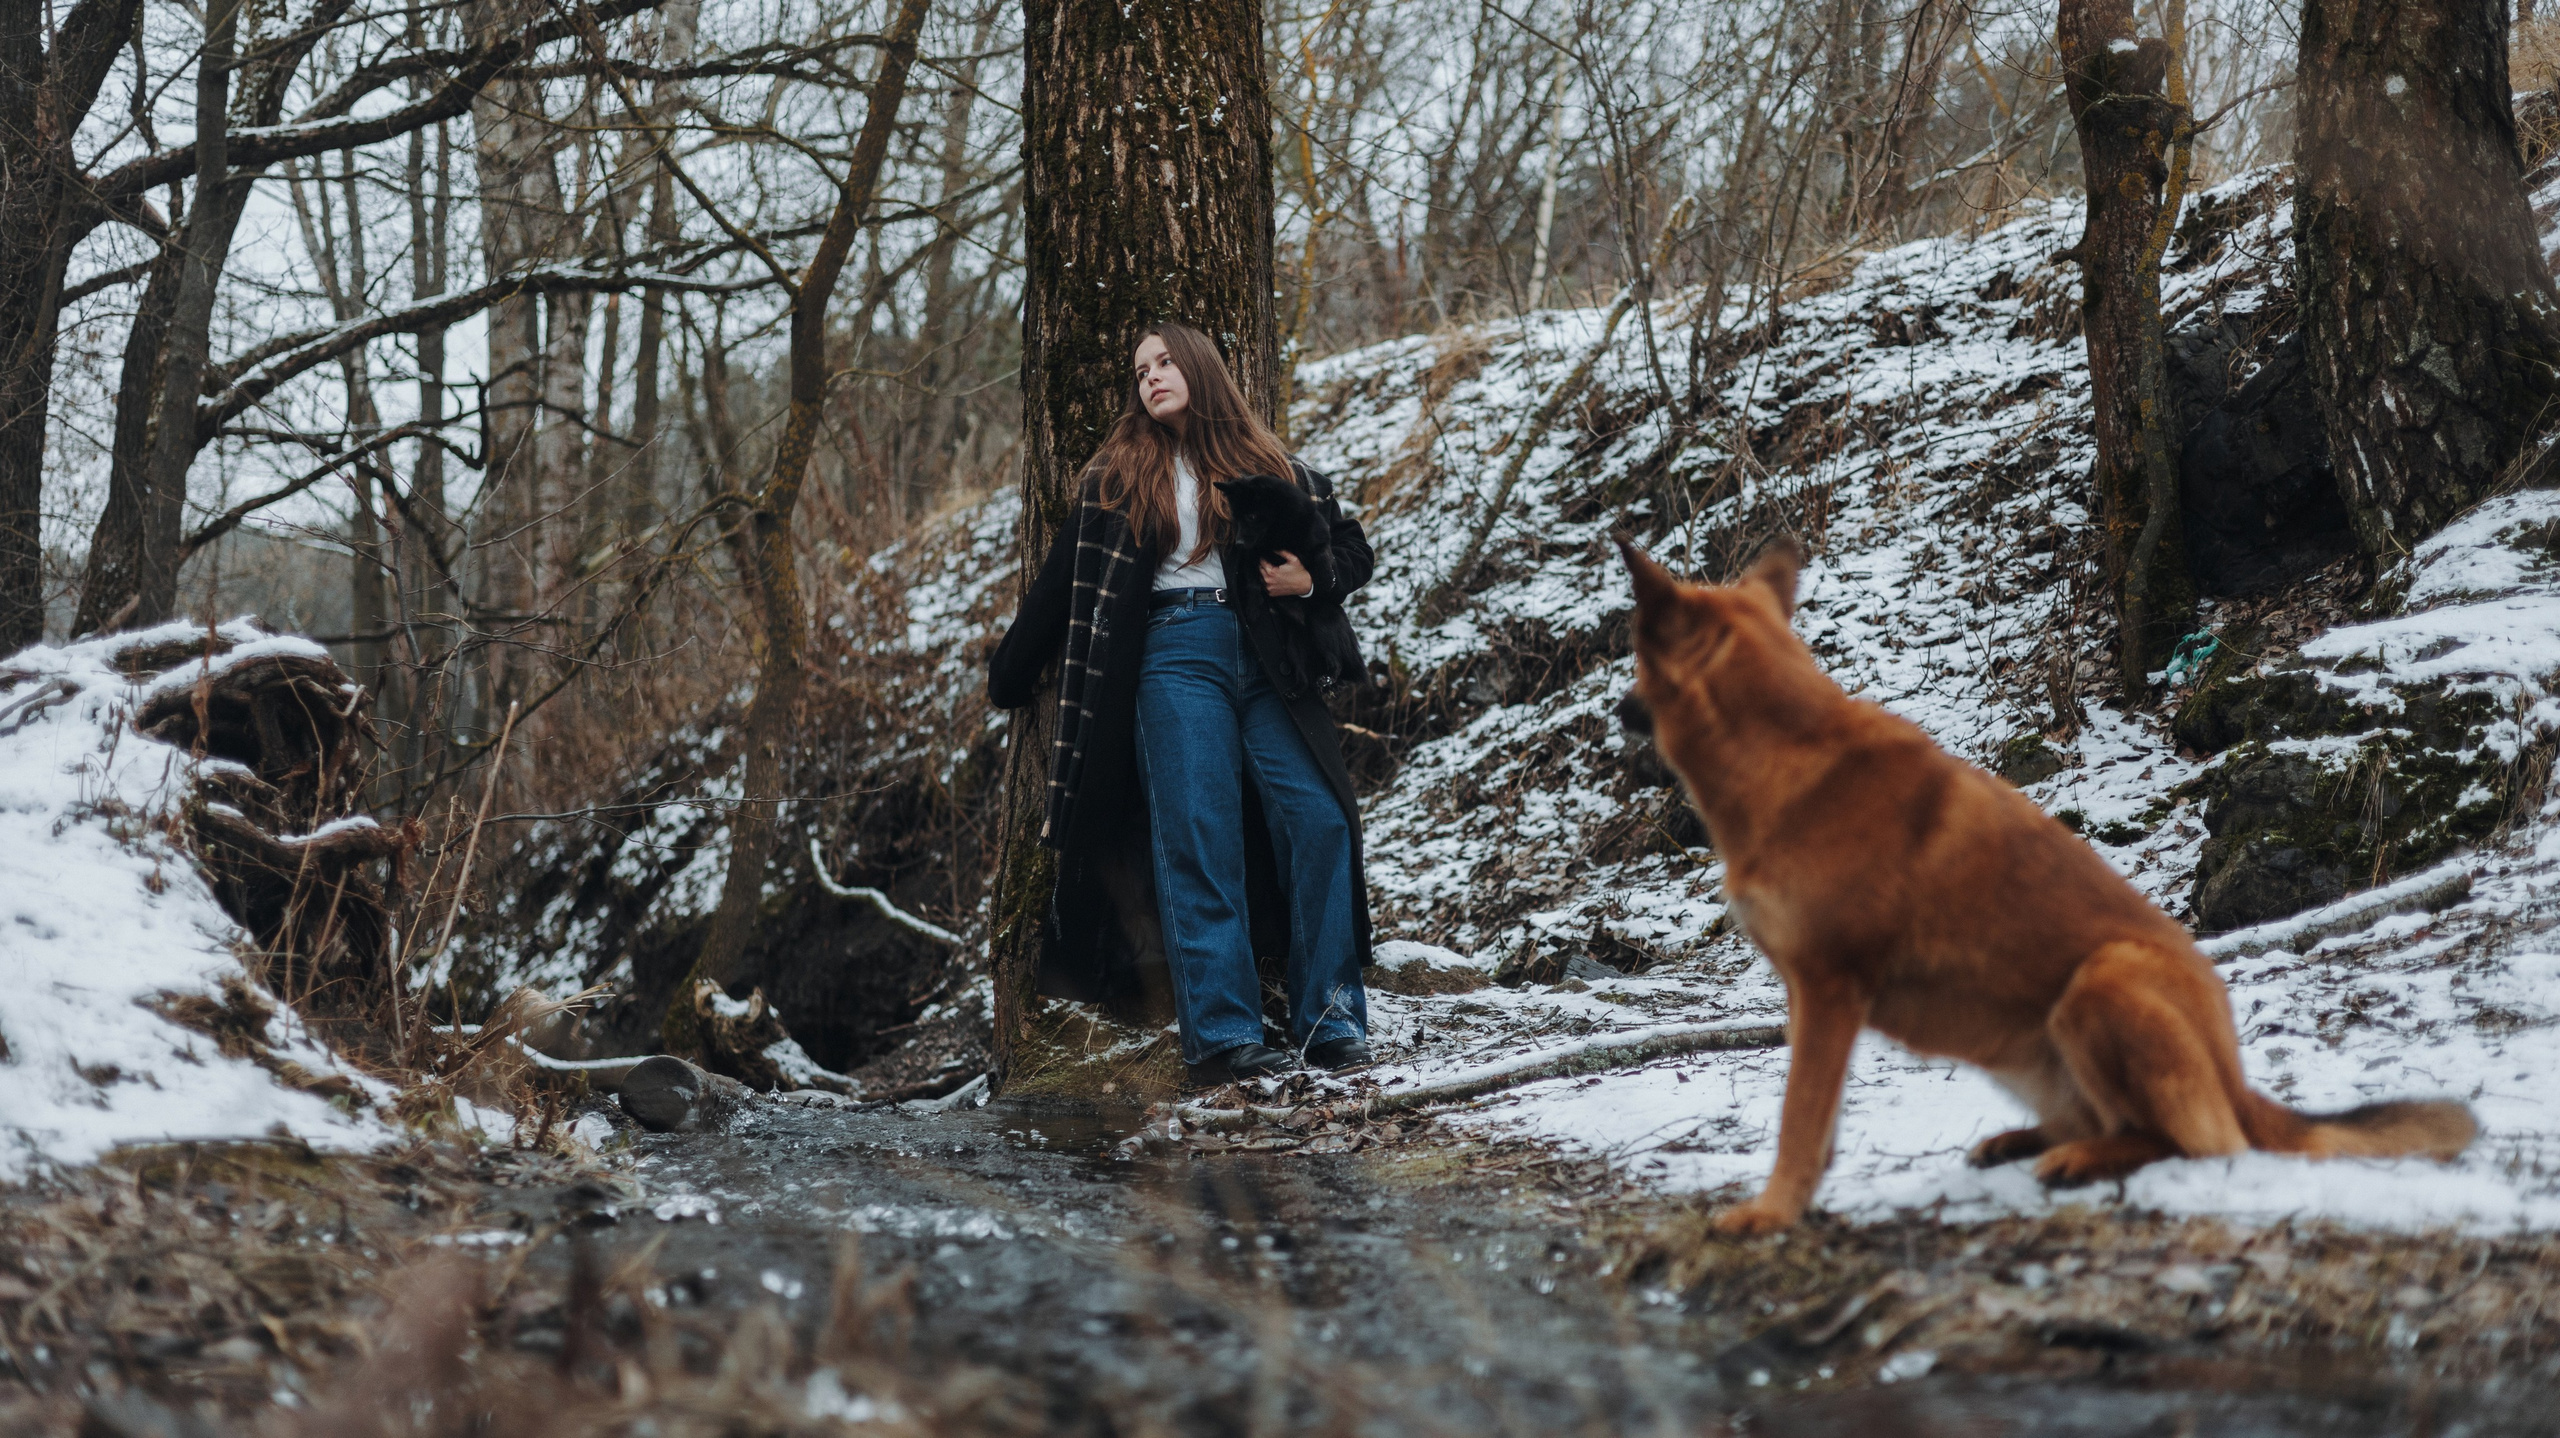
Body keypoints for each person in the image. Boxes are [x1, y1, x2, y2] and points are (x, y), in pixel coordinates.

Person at [988, 322, 1375, 1087]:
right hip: (1172, 657)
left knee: (1320, 818)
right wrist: (1011, 673)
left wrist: (1313, 581)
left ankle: (1331, 1023)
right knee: (1200, 834)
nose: (1153, 377)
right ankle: (1224, 1037)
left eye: (1165, 363)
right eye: (1141, 371)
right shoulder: (1119, 475)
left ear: (1200, 367)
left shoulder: (1272, 465)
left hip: (1266, 659)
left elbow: (1352, 549)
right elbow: (1067, 579)